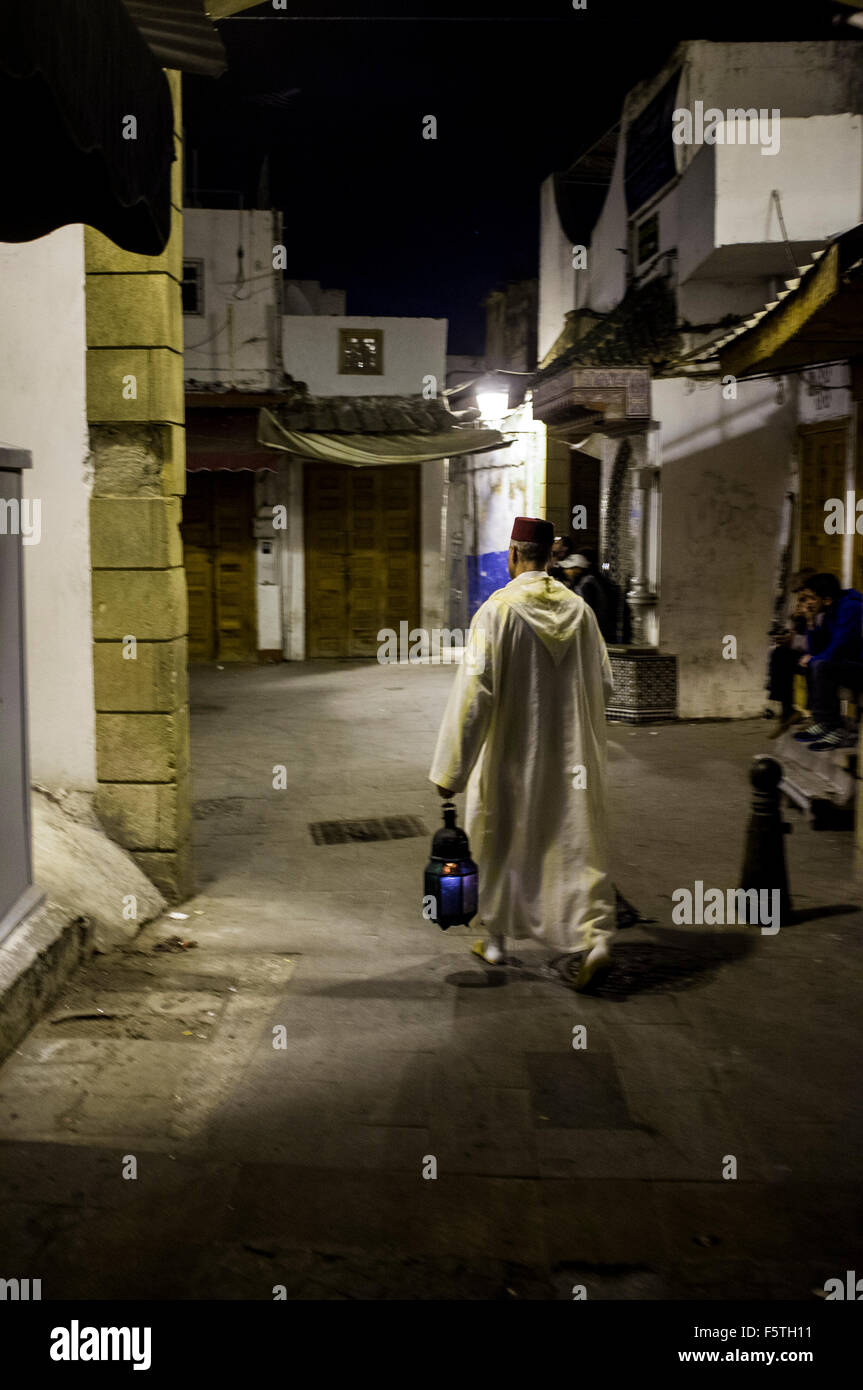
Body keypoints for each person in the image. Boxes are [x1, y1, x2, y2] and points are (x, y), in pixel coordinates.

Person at [429, 515, 615, 992]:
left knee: (499, 842)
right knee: (572, 847)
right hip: (572, 758)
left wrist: (452, 769)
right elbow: (607, 684)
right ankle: (596, 943)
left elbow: (474, 697)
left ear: (513, 556)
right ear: (550, 557)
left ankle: (495, 942)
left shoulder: (496, 612)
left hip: (513, 757)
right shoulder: (579, 612)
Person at [793, 572, 863, 750]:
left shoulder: (850, 608)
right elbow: (818, 650)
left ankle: (835, 729)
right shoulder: (830, 610)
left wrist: (814, 658)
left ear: (827, 600)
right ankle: (823, 722)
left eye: (811, 598)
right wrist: (810, 622)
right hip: (848, 663)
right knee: (811, 663)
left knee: (819, 664)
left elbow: (838, 647)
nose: (807, 603)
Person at [765, 568, 815, 739]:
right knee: (778, 654)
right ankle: (787, 711)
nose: (800, 597)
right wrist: (789, 636)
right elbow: (798, 637)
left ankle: (811, 714)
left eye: (802, 592)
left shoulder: (820, 606)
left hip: (818, 654)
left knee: (788, 657)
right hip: (805, 651)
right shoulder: (802, 607)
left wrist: (808, 617)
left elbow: (817, 640)